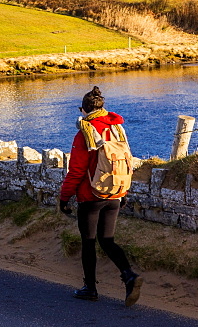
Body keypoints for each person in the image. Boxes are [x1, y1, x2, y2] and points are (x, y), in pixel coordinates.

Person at [59, 86, 142, 306]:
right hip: (116, 191)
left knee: (88, 242)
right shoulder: (117, 128)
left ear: (83, 110)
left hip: (91, 195)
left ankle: (90, 288)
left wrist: (64, 197)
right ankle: (129, 275)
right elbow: (126, 160)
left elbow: (76, 170)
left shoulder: (85, 132)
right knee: (107, 240)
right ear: (102, 107)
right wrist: (123, 191)